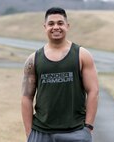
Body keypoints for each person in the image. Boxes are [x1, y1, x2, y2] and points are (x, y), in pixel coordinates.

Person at [21, 7, 99, 142]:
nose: (56, 27)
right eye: (51, 24)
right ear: (45, 27)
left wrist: (88, 127)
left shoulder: (82, 55)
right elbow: (26, 97)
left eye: (60, 23)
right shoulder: (33, 59)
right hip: (41, 132)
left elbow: (93, 91)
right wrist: (30, 133)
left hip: (76, 132)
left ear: (67, 26)